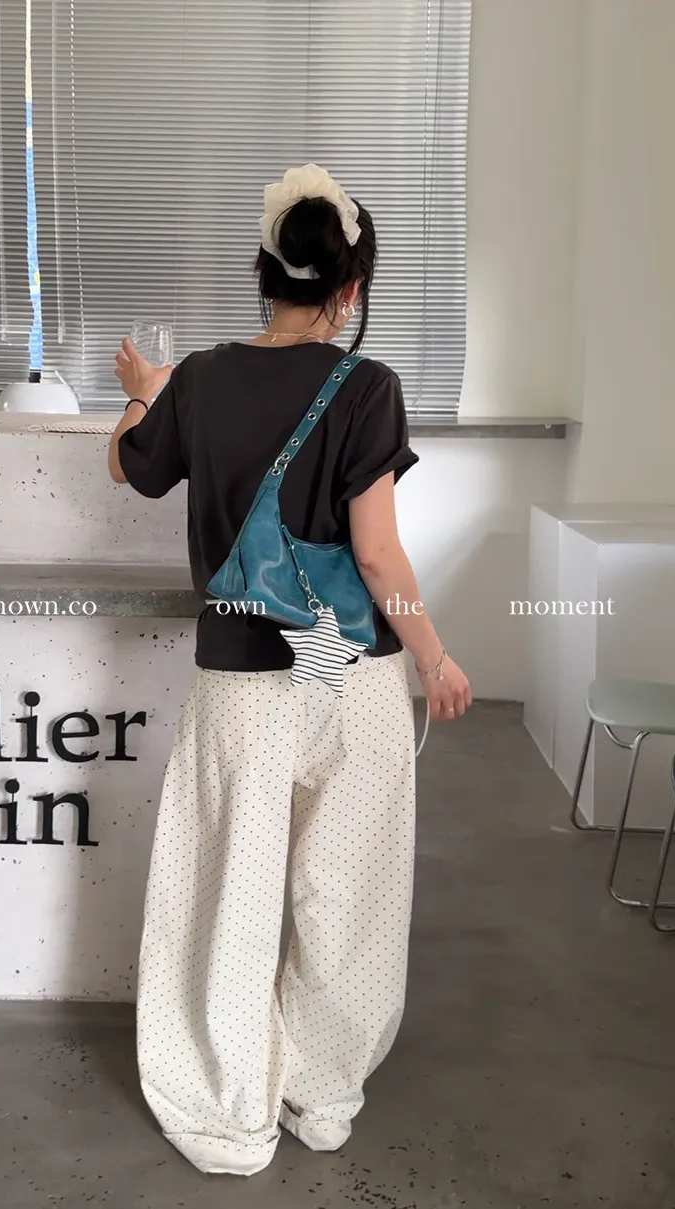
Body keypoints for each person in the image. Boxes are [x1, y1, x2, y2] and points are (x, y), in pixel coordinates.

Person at [107, 164, 471, 1177]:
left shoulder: (200, 378)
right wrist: (434, 655)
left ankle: (229, 1109)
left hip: (240, 683)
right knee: (346, 892)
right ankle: (320, 1092)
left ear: (263, 272)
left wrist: (140, 397)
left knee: (227, 891)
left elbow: (128, 466)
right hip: (346, 675)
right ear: (348, 289)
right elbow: (376, 556)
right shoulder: (369, 386)